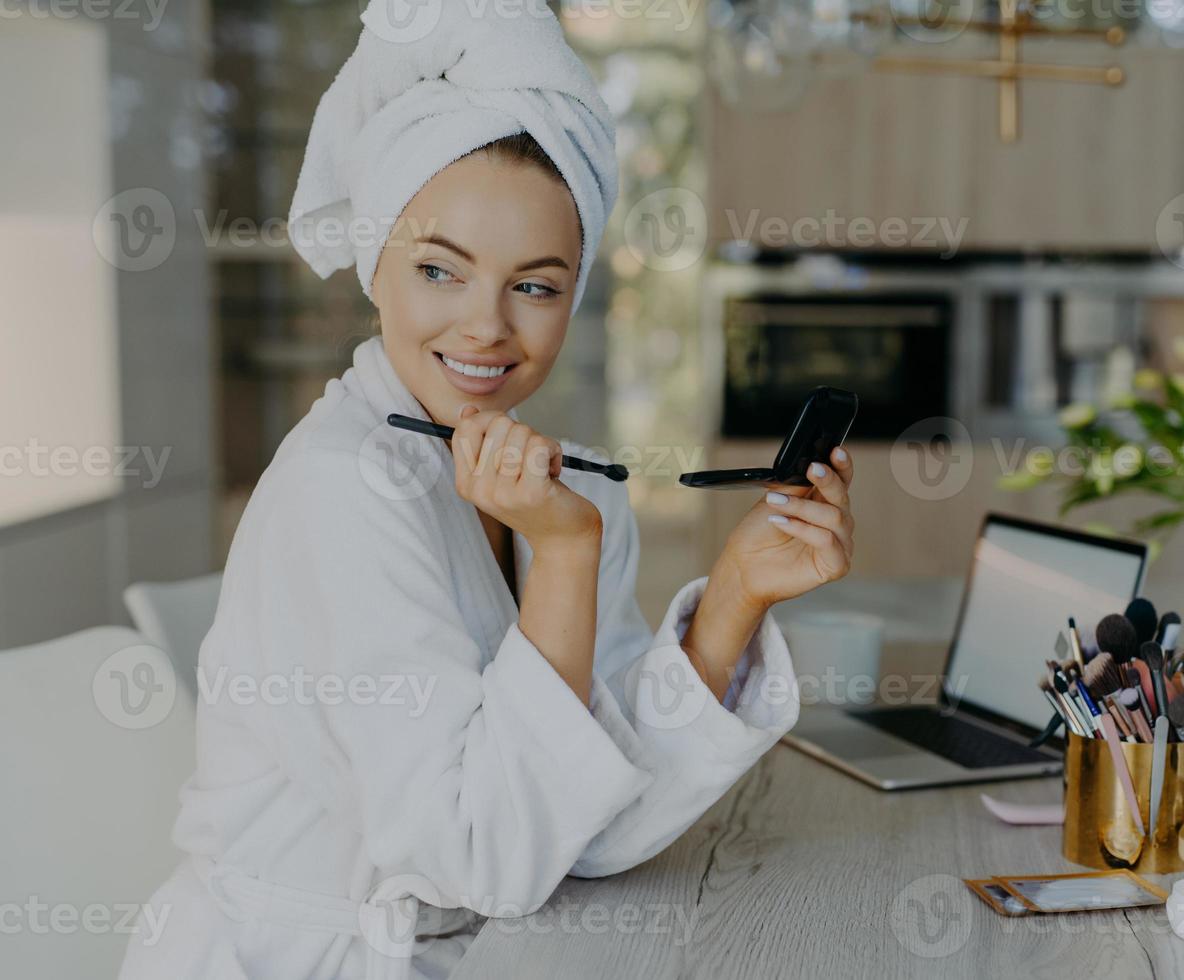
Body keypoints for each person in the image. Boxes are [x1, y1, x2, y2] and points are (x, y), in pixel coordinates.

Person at [119, 1, 855, 977]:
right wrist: (561, 553)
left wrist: (735, 594)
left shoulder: (567, 482)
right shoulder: (340, 489)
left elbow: (584, 819)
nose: (486, 328)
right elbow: (485, 856)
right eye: (439, 270)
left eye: (537, 285)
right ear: (377, 266)